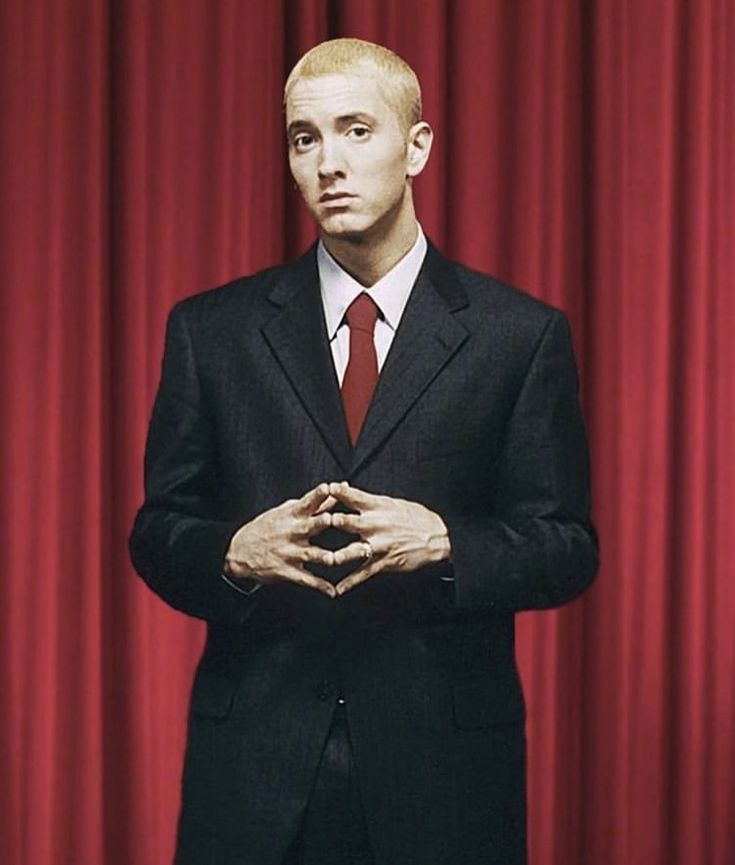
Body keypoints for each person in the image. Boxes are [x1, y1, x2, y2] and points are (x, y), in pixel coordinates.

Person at [129, 37, 598, 865]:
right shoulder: (212, 331)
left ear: (416, 146)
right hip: (255, 774)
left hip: (444, 776)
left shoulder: (517, 337)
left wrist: (448, 543)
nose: (327, 164)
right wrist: (232, 553)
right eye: (304, 138)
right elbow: (158, 529)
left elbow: (566, 546)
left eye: (355, 130)